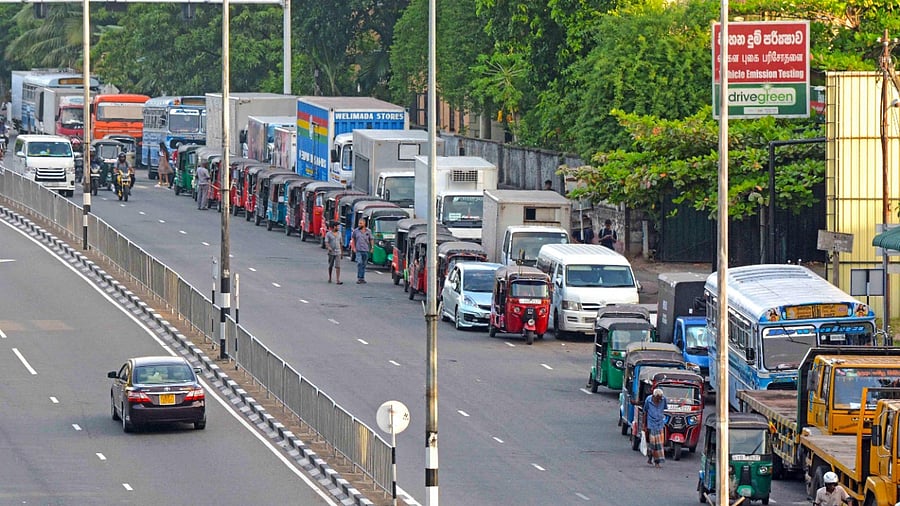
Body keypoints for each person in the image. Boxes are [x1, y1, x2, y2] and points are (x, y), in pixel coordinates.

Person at [642, 388, 668, 468]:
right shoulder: (648, 400)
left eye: (660, 398)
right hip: (651, 424)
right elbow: (645, 412)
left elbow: (665, 409)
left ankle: (657, 462)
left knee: (659, 445)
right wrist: (644, 425)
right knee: (653, 444)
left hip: (660, 424)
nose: (659, 400)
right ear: (654, 396)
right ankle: (650, 457)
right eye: (658, 398)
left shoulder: (663, 400)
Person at [350, 218, 373, 284]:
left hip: (365, 250)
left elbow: (371, 239)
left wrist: (372, 248)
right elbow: (353, 239)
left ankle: (362, 278)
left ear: (364, 224)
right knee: (359, 262)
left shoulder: (368, 231)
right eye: (359, 223)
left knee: (364, 264)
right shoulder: (356, 231)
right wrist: (353, 247)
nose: (359, 224)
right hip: (358, 250)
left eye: (361, 223)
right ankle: (359, 277)